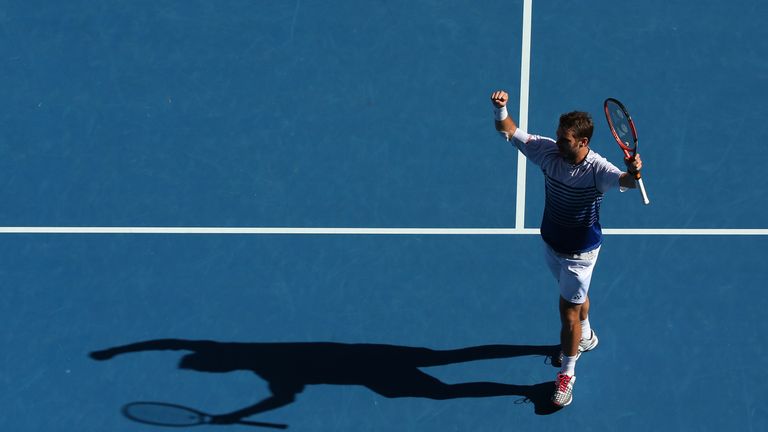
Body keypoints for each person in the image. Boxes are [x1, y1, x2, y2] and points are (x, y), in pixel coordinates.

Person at [489, 90, 643, 407]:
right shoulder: (548, 152)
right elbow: (508, 131)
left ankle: (568, 376)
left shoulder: (598, 169)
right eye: (559, 136)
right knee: (573, 298)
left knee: (567, 313)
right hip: (551, 243)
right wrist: (501, 109)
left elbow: (624, 182)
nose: (558, 143)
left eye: (565, 140)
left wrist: (634, 172)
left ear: (583, 142)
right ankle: (585, 336)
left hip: (579, 255)